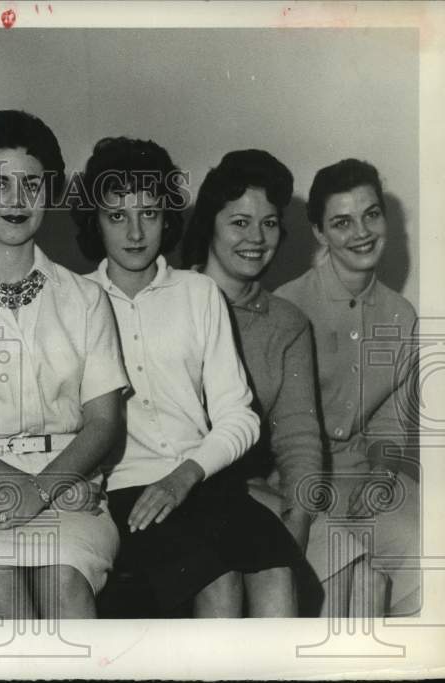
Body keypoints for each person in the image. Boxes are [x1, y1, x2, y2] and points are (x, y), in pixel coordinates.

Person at [74, 137, 300, 617]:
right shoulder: (74, 301)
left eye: (149, 214)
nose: (135, 232)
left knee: (277, 573)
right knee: (218, 582)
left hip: (204, 481)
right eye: (117, 216)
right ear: (95, 221)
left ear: (168, 216)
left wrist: (184, 476)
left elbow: (239, 416)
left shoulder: (199, 293)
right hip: (126, 495)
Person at [0, 110, 128, 619]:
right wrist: (19, 491)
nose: (16, 201)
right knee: (3, 595)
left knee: (65, 588)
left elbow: (103, 425)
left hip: (70, 491)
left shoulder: (85, 300)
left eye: (31, 185)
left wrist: (42, 490)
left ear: (49, 194)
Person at [182, 149, 366, 615]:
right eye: (240, 222)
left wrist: (298, 518)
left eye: (268, 223)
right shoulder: (171, 300)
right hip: (179, 488)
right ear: (210, 224)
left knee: (353, 565)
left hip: (256, 491)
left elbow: (300, 439)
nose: (256, 238)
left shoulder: (286, 323)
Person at [274, 158, 420, 617]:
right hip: (292, 481)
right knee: (348, 570)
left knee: (425, 547)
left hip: (369, 473)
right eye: (342, 222)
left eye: (371, 214)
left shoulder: (400, 313)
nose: (361, 232)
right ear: (319, 233)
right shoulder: (288, 306)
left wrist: (380, 473)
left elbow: (391, 416)